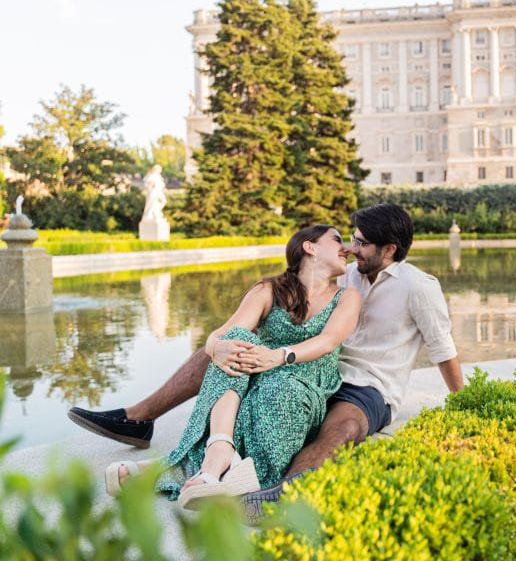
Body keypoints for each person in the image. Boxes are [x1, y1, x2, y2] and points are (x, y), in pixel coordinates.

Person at [68, 204, 465, 518]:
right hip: (316, 370)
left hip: (369, 386)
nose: (352, 247)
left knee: (341, 426)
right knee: (228, 349)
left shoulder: (419, 287)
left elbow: (443, 350)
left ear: (389, 249)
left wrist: (464, 404)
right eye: (350, 240)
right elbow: (303, 293)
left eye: (361, 242)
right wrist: (218, 342)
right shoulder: (348, 276)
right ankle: (139, 419)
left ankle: (278, 491)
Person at [103, 224, 362, 508]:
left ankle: (180, 468)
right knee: (234, 340)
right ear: (309, 247)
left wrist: (278, 356)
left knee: (280, 386)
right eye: (337, 240)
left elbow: (328, 341)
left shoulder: (347, 297)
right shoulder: (269, 290)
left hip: (301, 387)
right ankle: (219, 453)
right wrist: (219, 348)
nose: (347, 249)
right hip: (254, 377)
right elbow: (218, 335)